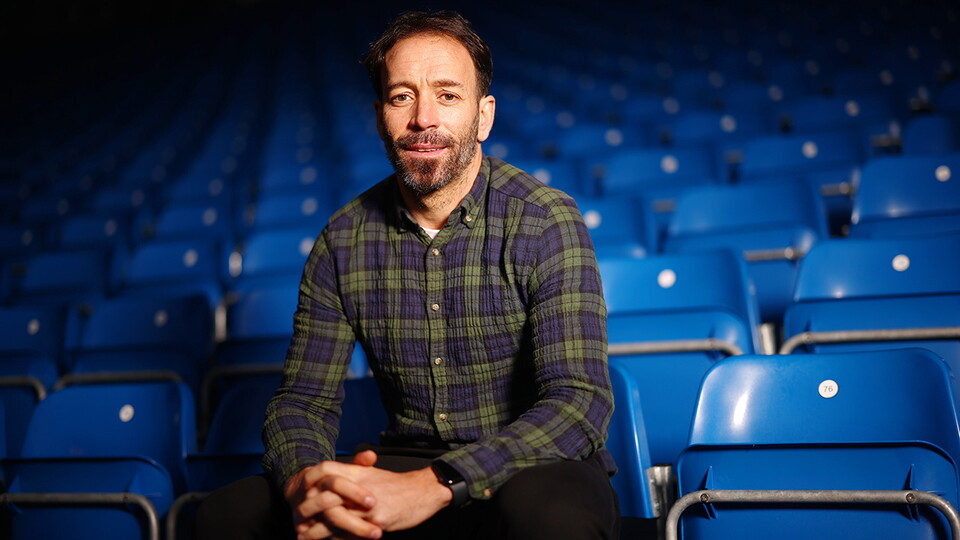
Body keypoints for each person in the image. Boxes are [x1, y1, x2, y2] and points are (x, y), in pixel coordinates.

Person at [195, 10, 620, 540]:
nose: (423, 119)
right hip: (403, 460)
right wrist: (308, 482)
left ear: (483, 116)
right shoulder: (341, 240)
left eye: (447, 94)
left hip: (534, 464)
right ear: (380, 117)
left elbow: (579, 401)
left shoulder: (545, 219)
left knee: (551, 519)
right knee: (226, 517)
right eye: (402, 97)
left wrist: (437, 482)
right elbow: (304, 401)